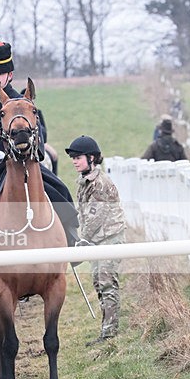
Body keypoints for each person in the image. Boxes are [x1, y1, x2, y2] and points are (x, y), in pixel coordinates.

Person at [0, 41, 78, 251]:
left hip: (24, 161)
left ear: (10, 74)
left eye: (0, 73)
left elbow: (37, 131)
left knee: (59, 188)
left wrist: (35, 150)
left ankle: (72, 237)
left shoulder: (23, 102)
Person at [65, 135, 126, 345]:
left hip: (109, 239)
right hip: (98, 241)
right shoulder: (85, 181)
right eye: (73, 157)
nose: (74, 161)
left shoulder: (98, 184)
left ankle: (110, 334)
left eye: (78, 157)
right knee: (99, 284)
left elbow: (93, 218)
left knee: (107, 284)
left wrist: (81, 241)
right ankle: (106, 329)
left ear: (91, 158)